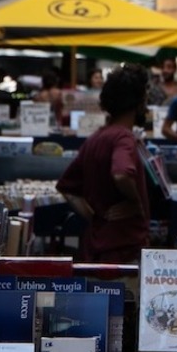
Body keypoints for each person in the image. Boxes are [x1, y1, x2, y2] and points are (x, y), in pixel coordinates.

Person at [55, 62, 151, 263]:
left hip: (95, 250)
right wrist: (136, 203)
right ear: (139, 101)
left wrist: (96, 217)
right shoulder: (124, 138)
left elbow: (67, 188)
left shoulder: (95, 139)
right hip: (123, 252)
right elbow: (121, 173)